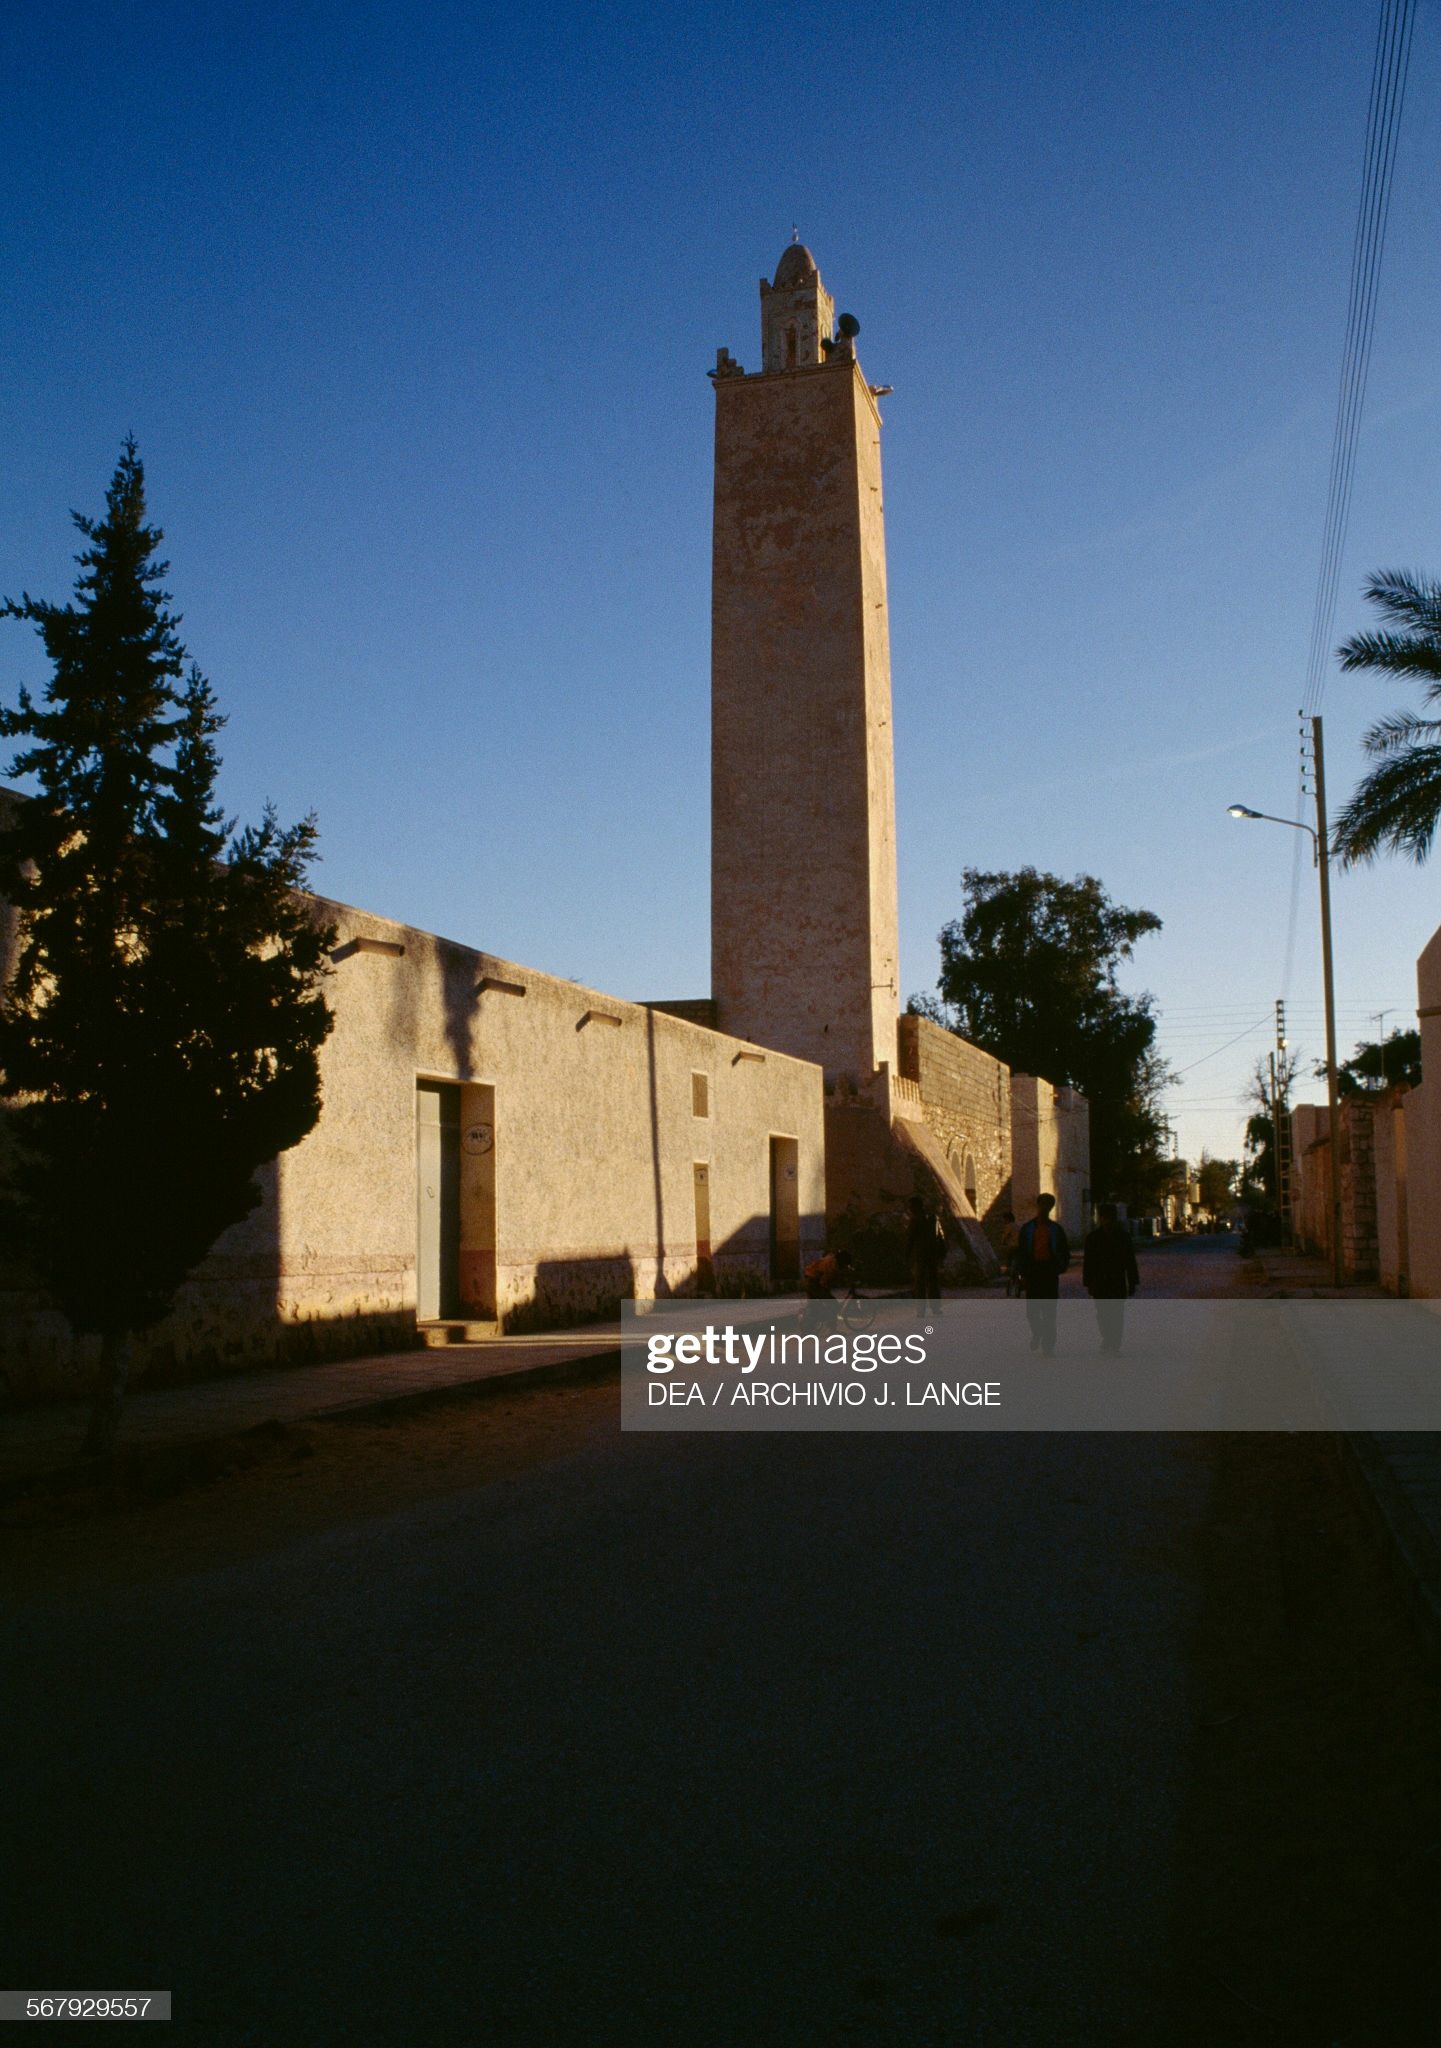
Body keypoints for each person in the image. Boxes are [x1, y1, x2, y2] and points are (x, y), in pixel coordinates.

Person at [1014, 1194, 1070, 1356]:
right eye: (1042, 1205)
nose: (1044, 1208)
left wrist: (1060, 1267)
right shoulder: (1027, 1229)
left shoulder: (1056, 1230)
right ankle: (1038, 1332)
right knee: (1032, 1311)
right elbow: (1022, 1253)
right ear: (1037, 1205)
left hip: (1049, 1271)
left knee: (1049, 1311)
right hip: (1033, 1271)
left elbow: (1064, 1251)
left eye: (1048, 1205)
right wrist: (1023, 1274)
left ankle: (1048, 1345)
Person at [1082, 1202, 1139, 1355]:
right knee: (1102, 1314)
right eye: (1105, 1218)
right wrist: (1088, 1282)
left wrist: (1132, 1282)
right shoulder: (1093, 1238)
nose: (1108, 1221)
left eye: (1110, 1218)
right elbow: (1088, 1263)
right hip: (1099, 1282)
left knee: (1117, 1314)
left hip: (1117, 1281)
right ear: (1100, 1219)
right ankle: (1108, 1337)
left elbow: (1130, 1261)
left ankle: (1115, 1344)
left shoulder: (1123, 1237)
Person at [906, 1195, 945, 1317]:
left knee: (920, 1284)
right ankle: (935, 1308)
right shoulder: (933, 1217)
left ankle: (921, 1310)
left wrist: (906, 1256)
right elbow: (941, 1236)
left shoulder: (915, 1219)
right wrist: (942, 1252)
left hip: (921, 1256)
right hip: (932, 1255)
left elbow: (910, 1239)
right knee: (933, 1282)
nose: (909, 1209)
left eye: (911, 1206)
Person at [999, 1210, 1020, 1296]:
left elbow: (1004, 1237)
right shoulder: (1019, 1225)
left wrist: (1002, 1242)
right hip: (1021, 1248)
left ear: (1007, 1219)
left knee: (1008, 1257)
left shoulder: (1009, 1226)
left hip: (1013, 1247)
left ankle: (1007, 1270)